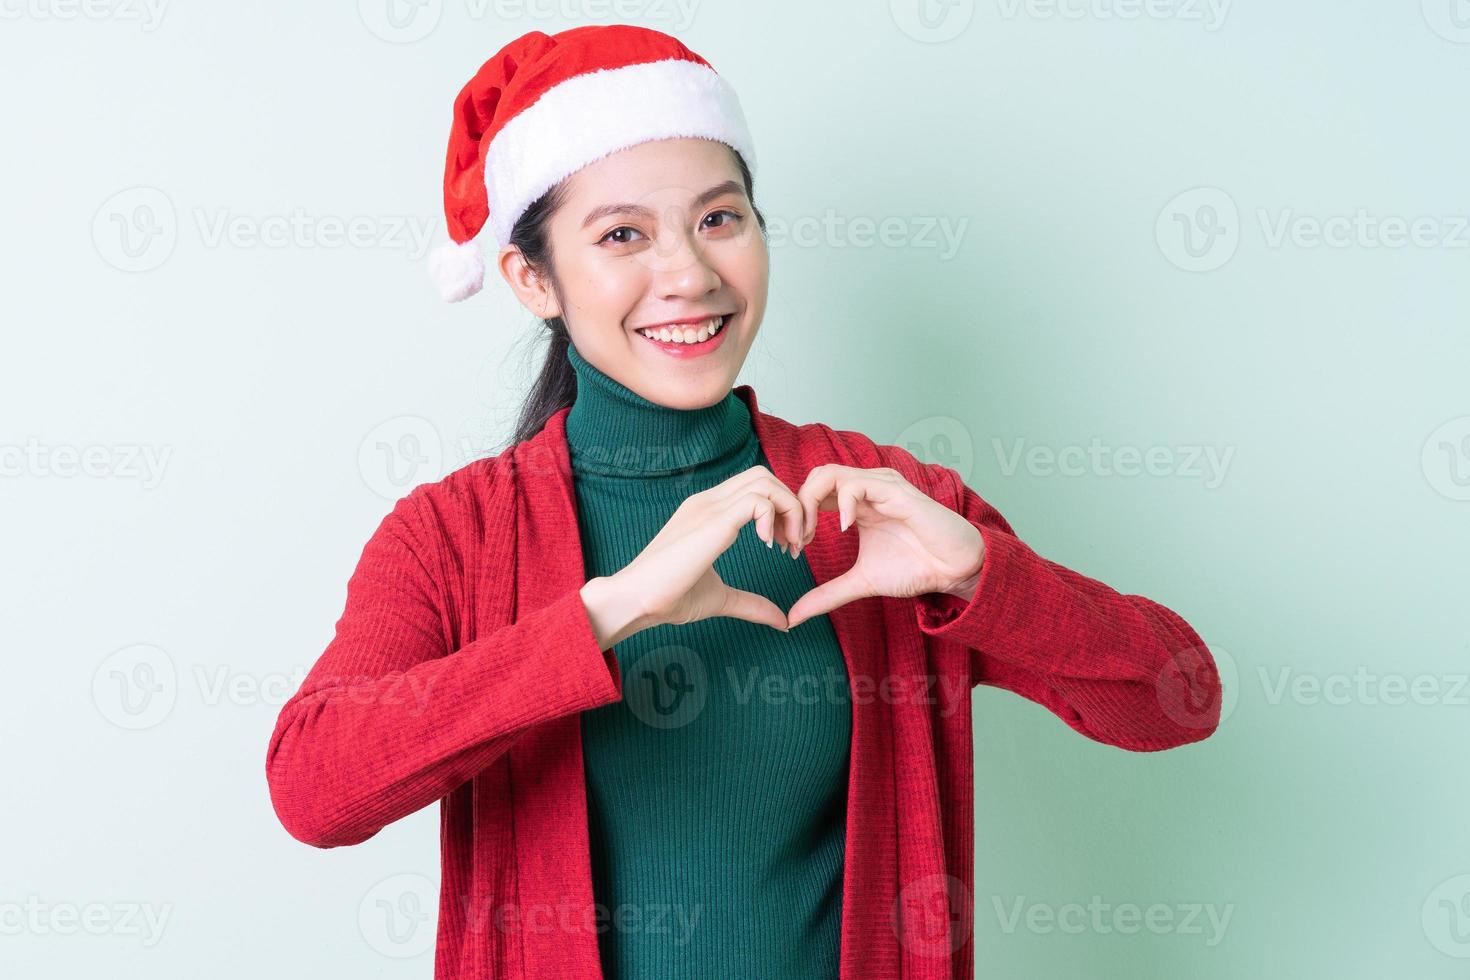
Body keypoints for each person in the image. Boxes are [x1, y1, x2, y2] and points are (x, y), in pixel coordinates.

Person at [264, 24, 1222, 980]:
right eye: (622, 236)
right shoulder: (453, 536)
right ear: (531, 279)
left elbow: (1177, 696)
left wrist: (980, 572)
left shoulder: (877, 506)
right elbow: (315, 789)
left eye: (720, 219)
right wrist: (609, 612)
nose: (689, 275)